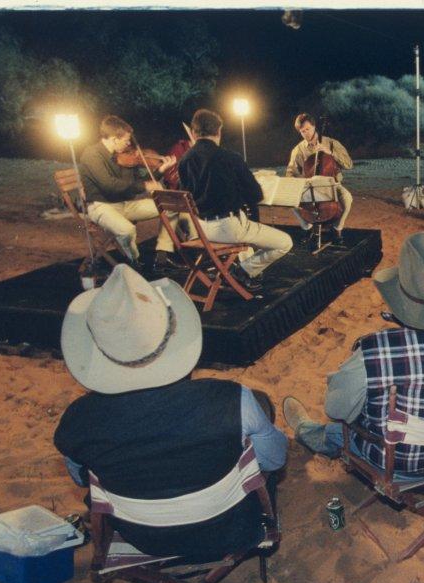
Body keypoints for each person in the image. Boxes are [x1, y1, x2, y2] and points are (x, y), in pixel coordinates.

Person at [53, 264, 288, 559]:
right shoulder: (231, 399)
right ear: (171, 335)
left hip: (144, 537)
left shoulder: (78, 420)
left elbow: (81, 479)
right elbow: (276, 458)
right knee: (260, 411)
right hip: (231, 530)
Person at [281, 232, 424, 477]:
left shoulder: (379, 352)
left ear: (404, 301)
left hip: (398, 464)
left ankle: (306, 431)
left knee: (337, 429)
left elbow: (337, 410)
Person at [179, 108, 293, 294]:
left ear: (193, 133)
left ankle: (240, 268)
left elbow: (186, 195)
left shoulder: (184, 160)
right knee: (284, 242)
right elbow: (256, 195)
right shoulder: (230, 158)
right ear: (219, 131)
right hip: (228, 229)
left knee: (246, 232)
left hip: (200, 230)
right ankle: (242, 271)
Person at [78, 115, 183, 274]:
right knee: (127, 230)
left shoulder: (123, 156)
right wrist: (143, 185)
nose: (129, 144)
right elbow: (109, 185)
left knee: (171, 207)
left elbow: (138, 182)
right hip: (100, 206)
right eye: (126, 140)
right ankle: (135, 261)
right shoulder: (92, 154)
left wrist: (160, 171)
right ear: (114, 139)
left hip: (125, 204)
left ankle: (163, 255)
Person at [286, 113, 354, 244]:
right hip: (309, 185)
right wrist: (301, 181)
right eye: (302, 131)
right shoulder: (298, 150)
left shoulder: (332, 143)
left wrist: (331, 153)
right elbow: (290, 172)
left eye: (308, 129)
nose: (306, 133)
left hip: (332, 184)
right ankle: (307, 227)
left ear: (314, 126)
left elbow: (349, 164)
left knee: (347, 198)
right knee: (290, 201)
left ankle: (337, 228)